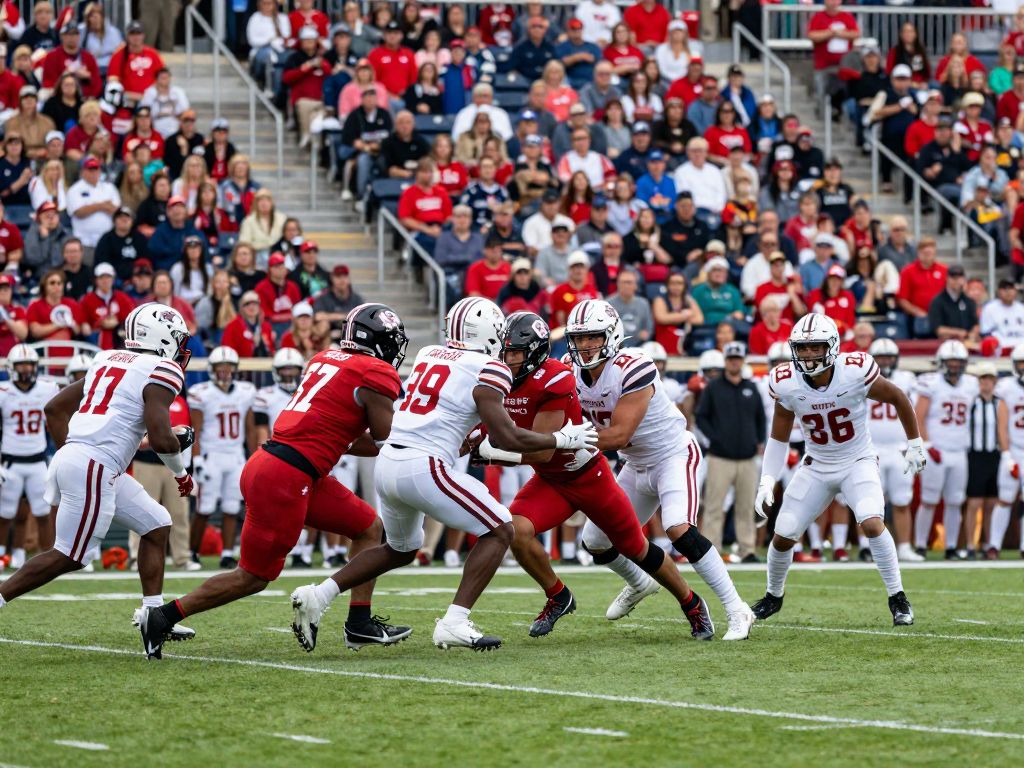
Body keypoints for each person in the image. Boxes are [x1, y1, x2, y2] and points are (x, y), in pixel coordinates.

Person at [287, 298, 598, 651]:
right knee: (500, 528)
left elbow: (463, 419)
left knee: (401, 548)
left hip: (388, 461)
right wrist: (559, 439)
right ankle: (455, 621)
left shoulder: (429, 354)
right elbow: (506, 435)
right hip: (423, 465)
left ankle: (319, 594)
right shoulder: (489, 368)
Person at [143, 304, 409, 656]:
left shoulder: (325, 359)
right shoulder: (375, 371)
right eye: (391, 342)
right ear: (376, 342)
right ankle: (162, 617)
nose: (395, 351)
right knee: (253, 577)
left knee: (367, 527)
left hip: (282, 465)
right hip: (286, 476)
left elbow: (346, 434)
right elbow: (383, 439)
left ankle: (359, 623)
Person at [477, 311, 706, 637]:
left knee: (635, 547)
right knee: (516, 530)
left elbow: (542, 449)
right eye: (505, 352)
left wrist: (493, 454)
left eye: (515, 353)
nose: (508, 360)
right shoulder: (498, 379)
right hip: (550, 480)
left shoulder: (555, 378)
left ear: (536, 352)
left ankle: (691, 603)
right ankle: (558, 595)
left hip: (586, 475)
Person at [0, 304, 195, 656]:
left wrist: (71, 451)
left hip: (91, 462)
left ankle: (154, 616)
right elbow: (162, 436)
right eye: (177, 340)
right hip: (95, 465)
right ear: (161, 337)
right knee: (70, 555)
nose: (181, 349)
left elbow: (54, 408)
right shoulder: (161, 367)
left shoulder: (108, 359)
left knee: (157, 525)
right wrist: (182, 473)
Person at [563, 299, 753, 637]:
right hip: (635, 464)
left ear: (611, 334)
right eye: (578, 339)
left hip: (672, 455)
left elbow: (620, 435)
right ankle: (639, 582)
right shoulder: (571, 369)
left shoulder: (633, 366)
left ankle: (736, 608)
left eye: (592, 337)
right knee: (594, 540)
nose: (584, 346)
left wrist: (561, 440)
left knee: (678, 528)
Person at [752, 313, 923, 627]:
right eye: (801, 349)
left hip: (857, 460)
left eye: (814, 347)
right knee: (783, 534)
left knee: (872, 522)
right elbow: (778, 436)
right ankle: (773, 597)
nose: (807, 355)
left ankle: (898, 597)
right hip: (816, 464)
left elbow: (898, 397)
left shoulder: (854, 372)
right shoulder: (785, 381)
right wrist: (767, 480)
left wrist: (915, 443)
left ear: (831, 346)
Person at [185, 347, 256, 569]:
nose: (225, 372)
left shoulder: (246, 391)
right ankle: (192, 552)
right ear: (212, 369)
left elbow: (251, 429)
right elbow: (194, 429)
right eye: (220, 368)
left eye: (229, 368)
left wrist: (254, 458)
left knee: (232, 507)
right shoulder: (201, 392)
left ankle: (227, 553)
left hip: (235, 456)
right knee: (204, 508)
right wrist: (196, 460)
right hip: (211, 455)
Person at [910, 341, 978, 560]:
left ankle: (950, 547)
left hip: (959, 450)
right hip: (936, 450)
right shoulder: (931, 383)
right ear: (941, 363)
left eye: (958, 361)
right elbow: (918, 417)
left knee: (955, 501)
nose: (955, 366)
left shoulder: (970, 384)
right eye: (951, 361)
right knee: (929, 500)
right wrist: (927, 445)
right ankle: (921, 545)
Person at [696, 341, 763, 562]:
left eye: (738, 359)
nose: (734, 363)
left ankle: (747, 548)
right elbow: (701, 416)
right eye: (731, 359)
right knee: (714, 505)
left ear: (742, 361)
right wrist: (715, 438)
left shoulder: (751, 388)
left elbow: (760, 417)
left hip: (746, 457)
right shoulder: (714, 387)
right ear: (726, 361)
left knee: (745, 506)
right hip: (720, 457)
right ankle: (711, 550)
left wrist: (759, 440)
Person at [0, 345, 62, 570]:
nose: (26, 369)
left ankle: (46, 557)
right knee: (5, 513)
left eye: (29, 365)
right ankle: (3, 556)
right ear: (11, 368)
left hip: (37, 460)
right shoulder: (3, 391)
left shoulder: (47, 389)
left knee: (43, 513)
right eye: (21, 365)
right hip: (10, 461)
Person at [993, 347, 1024, 559]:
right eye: (1021, 363)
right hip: (1014, 449)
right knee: (1004, 499)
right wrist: (1006, 454)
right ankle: (993, 546)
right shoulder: (1007, 387)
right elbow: (1002, 424)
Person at [66, 156, 120, 255]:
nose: (94, 172)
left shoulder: (109, 187)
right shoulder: (74, 190)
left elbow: (117, 211)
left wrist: (92, 207)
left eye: (96, 169)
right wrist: (102, 205)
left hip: (107, 240)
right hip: (85, 242)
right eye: (90, 169)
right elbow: (79, 212)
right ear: (83, 171)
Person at [928, 264, 979, 344]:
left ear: (964, 279)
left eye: (959, 278)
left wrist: (973, 334)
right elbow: (938, 329)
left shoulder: (969, 301)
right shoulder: (937, 301)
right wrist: (959, 332)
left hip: (966, 344)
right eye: (953, 278)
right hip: (944, 344)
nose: (956, 281)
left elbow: (975, 324)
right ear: (947, 279)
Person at [692, 257, 744, 327]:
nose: (719, 274)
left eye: (723, 271)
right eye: (716, 270)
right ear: (708, 273)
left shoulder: (733, 291)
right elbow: (693, 313)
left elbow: (739, 313)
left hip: (728, 328)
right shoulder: (698, 290)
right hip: (705, 327)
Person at [221, 290, 275, 358]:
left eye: (255, 303)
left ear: (259, 306)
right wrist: (252, 344)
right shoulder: (232, 327)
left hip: (265, 365)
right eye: (247, 304)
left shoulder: (266, 327)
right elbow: (227, 352)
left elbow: (271, 351)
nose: (251, 307)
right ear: (241, 307)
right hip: (242, 365)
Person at [980, 278, 1024, 350]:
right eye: (1004, 288)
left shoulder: (1021, 308)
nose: (1008, 291)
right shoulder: (989, 308)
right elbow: (985, 333)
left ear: (1016, 291)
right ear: (998, 291)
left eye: (1011, 288)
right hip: (1001, 348)